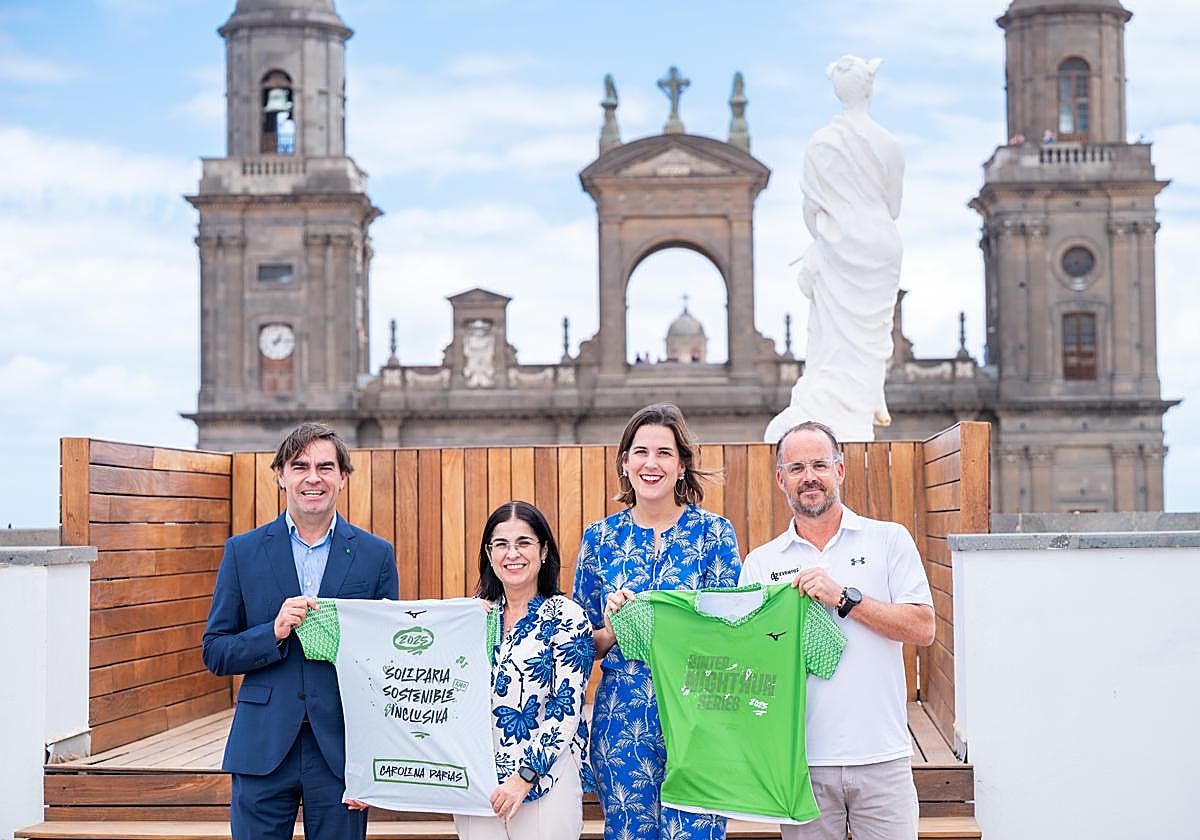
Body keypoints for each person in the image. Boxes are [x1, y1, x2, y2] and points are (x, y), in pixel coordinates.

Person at [739, 421, 935, 840]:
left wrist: (845, 598)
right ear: (781, 480)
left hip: (882, 756)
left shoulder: (888, 540)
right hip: (801, 764)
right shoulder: (760, 563)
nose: (809, 477)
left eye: (819, 465)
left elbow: (923, 627)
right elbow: (750, 663)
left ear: (839, 471)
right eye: (796, 468)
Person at [202, 422, 399, 840]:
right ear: (281, 476)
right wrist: (272, 632)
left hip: (342, 753)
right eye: (300, 466)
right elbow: (215, 652)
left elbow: (387, 664)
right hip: (262, 749)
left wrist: (373, 763)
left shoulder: (375, 555)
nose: (313, 478)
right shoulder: (243, 552)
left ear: (342, 478)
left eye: (325, 467)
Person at [574, 403, 741, 840]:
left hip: (699, 718)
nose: (652, 463)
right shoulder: (599, 539)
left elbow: (731, 634)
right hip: (622, 720)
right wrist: (611, 629)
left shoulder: (715, 534)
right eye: (641, 452)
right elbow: (580, 648)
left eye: (665, 453)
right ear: (625, 463)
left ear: (682, 465)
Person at [454, 500, 595, 840]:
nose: (512, 554)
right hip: (479, 788)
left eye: (524, 542)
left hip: (546, 784)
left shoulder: (567, 617)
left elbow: (566, 707)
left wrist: (524, 777)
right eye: (501, 544)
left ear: (544, 551)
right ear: (489, 554)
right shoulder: (471, 618)